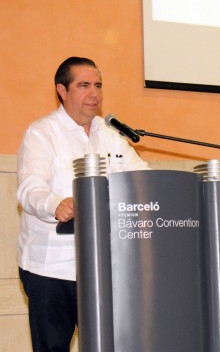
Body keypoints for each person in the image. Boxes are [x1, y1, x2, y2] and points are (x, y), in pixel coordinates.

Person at [16, 57, 149, 351]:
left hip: (105, 267)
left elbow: (143, 179)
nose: (95, 94)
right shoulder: (42, 133)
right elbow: (29, 188)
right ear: (62, 90)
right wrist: (56, 204)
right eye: (84, 85)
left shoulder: (112, 135)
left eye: (98, 86)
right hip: (52, 270)